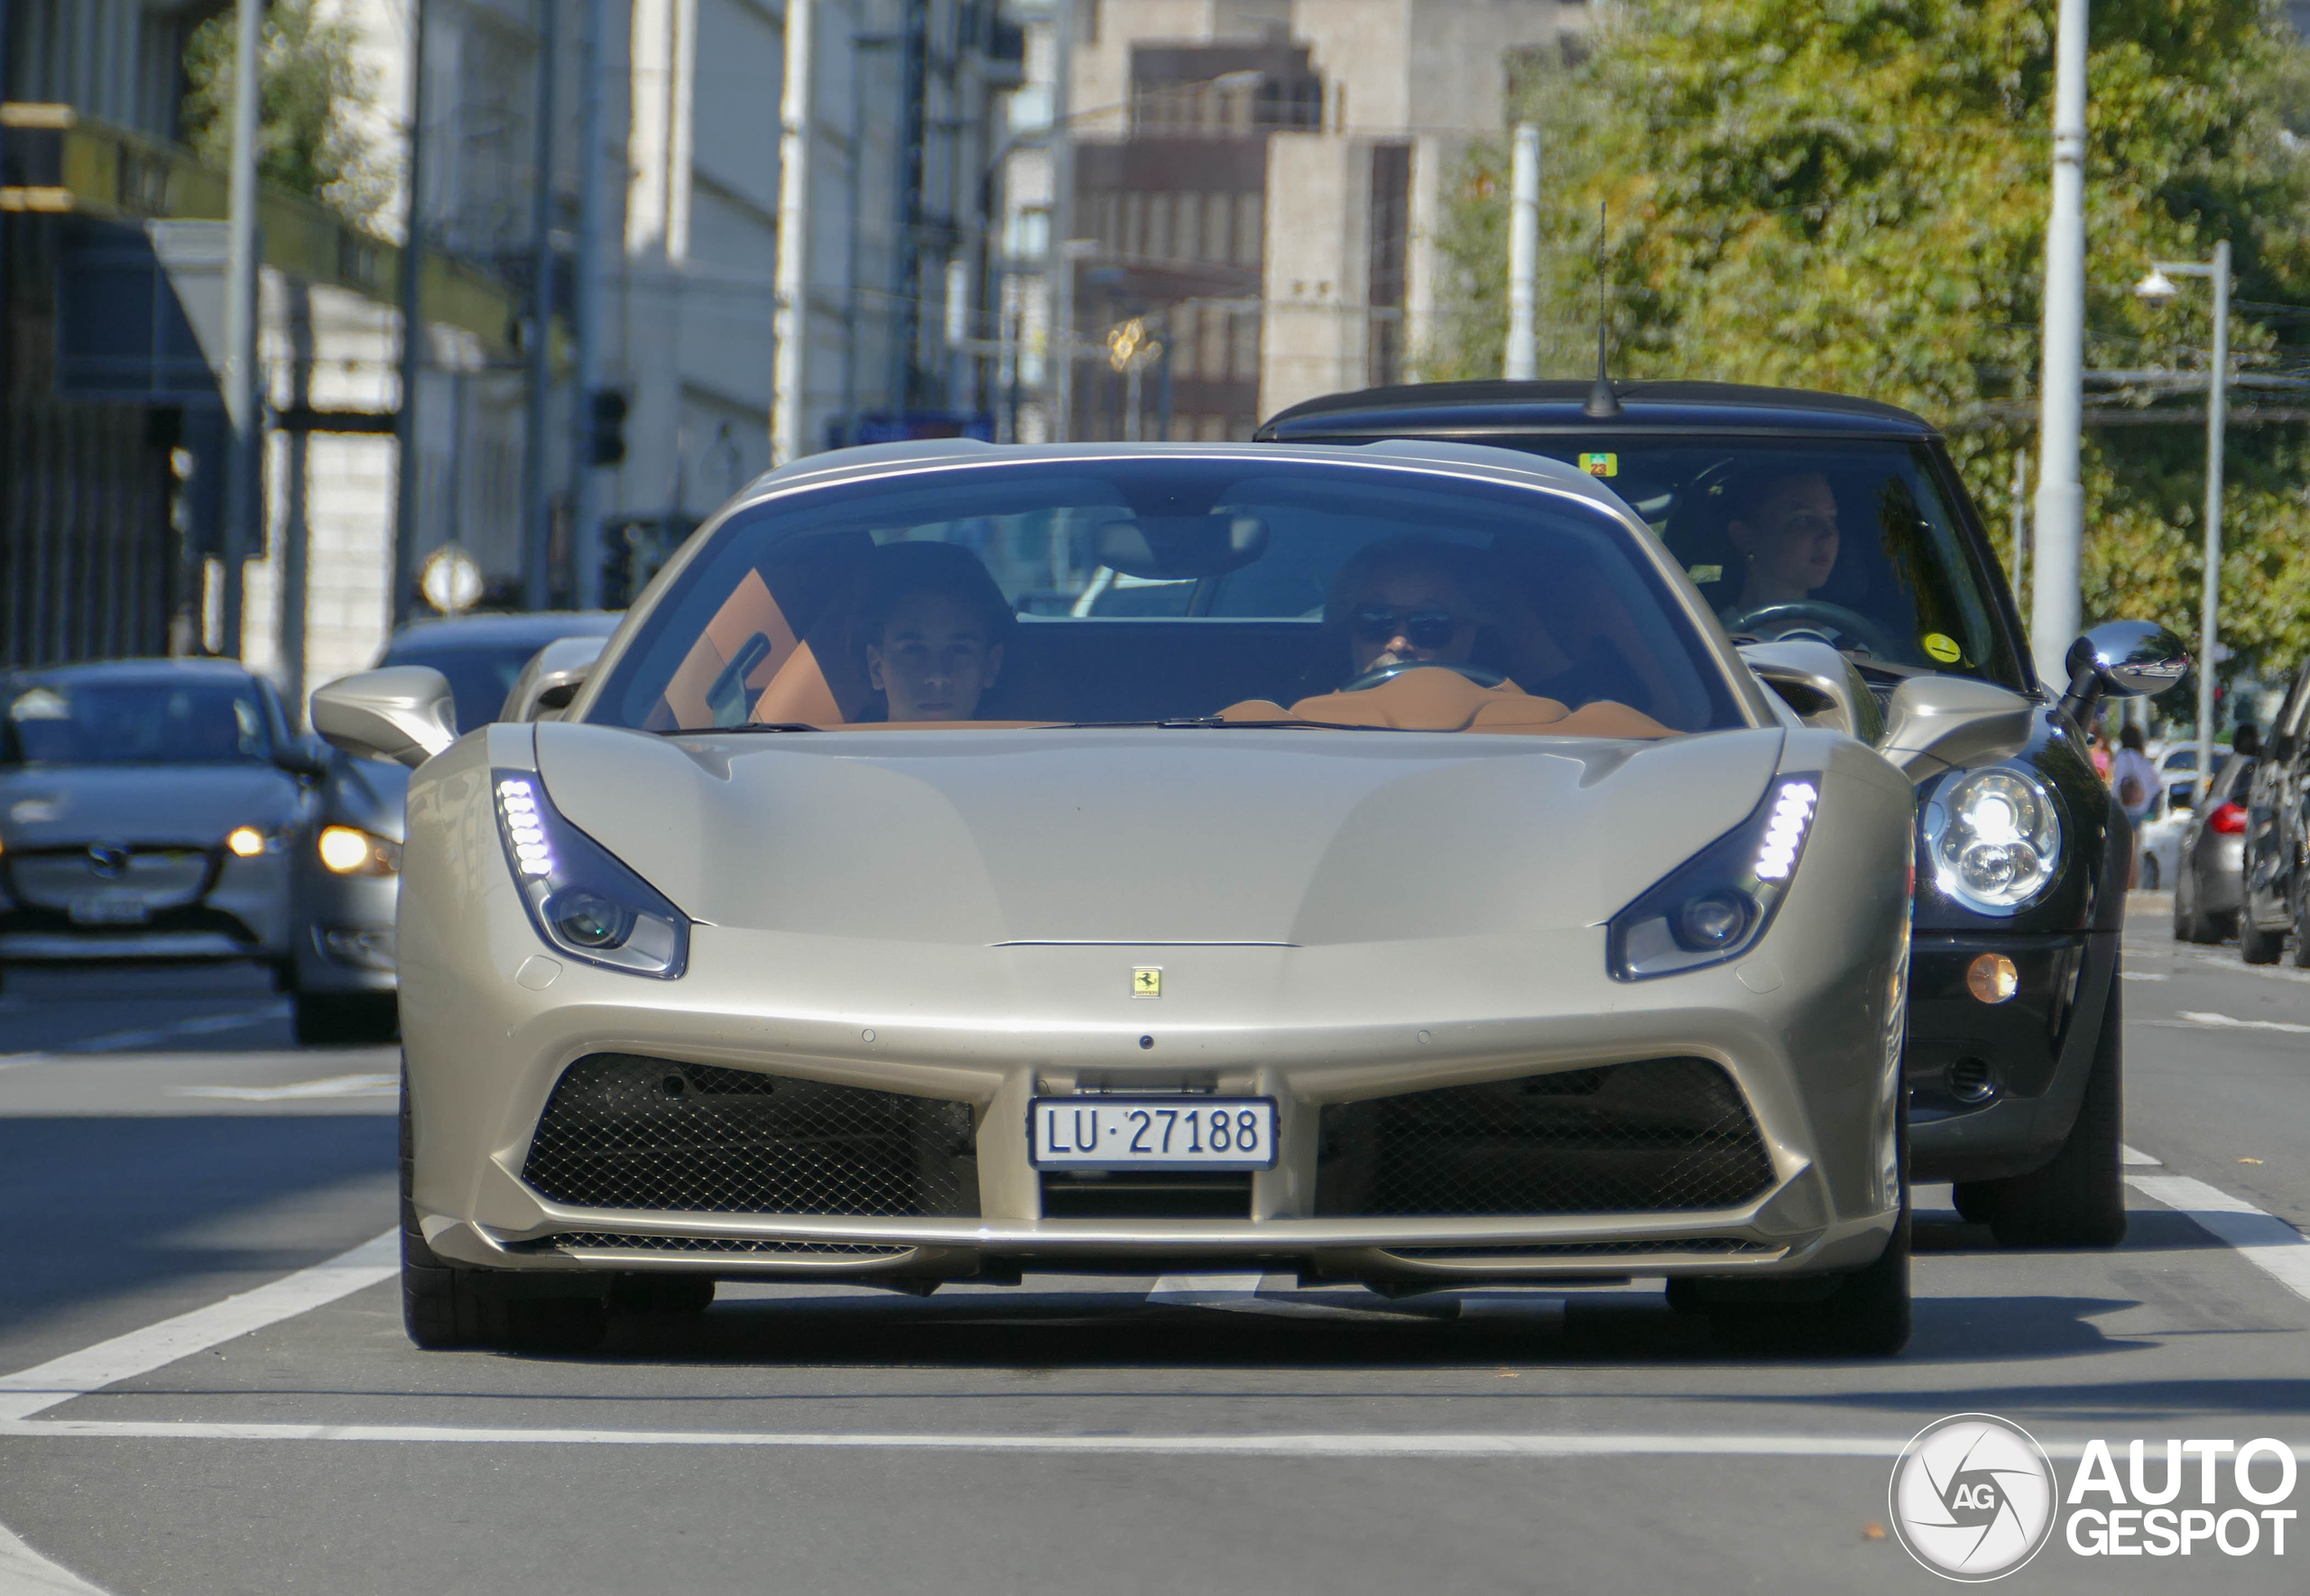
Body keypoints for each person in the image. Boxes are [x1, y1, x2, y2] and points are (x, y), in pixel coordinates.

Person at [855, 542, 1013, 722]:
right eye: (913, 649)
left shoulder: (1043, 747)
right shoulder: (835, 749)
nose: (937, 677)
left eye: (959, 649)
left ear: (991, 666)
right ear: (876, 668)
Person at [1325, 537, 1493, 683]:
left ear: (1467, 639)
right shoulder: (1306, 716)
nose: (1398, 645)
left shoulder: (1504, 718)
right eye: (1376, 621)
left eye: (1429, 624)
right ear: (1352, 636)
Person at [1723, 470, 1841, 616]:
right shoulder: (1707, 636)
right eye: (1803, 519)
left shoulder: (1855, 635)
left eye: (1831, 518)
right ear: (1744, 538)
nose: (1828, 534)